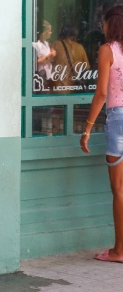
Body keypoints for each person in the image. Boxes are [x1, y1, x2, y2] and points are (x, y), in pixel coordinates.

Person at [81, 5, 123, 263]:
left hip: (118, 119)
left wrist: (86, 128)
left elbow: (101, 94)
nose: (102, 27)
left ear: (111, 24)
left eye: (104, 22)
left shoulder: (108, 50)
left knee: (118, 189)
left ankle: (119, 251)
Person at [51, 24, 90, 93]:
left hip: (56, 91)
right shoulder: (80, 48)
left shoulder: (54, 45)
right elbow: (86, 70)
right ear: (75, 35)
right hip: (72, 92)